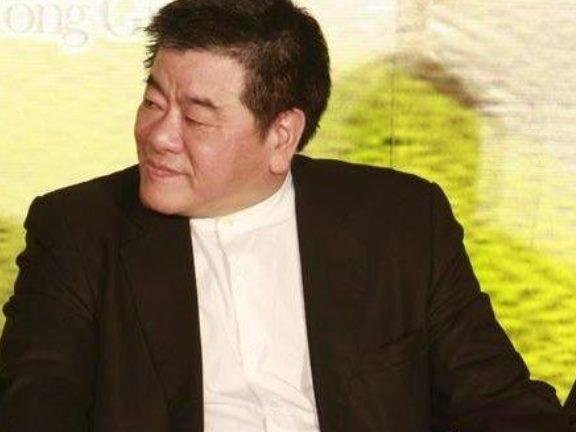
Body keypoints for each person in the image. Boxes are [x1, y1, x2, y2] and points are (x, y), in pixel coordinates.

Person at [0, 1, 571, 431]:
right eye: (153, 102)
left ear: (281, 136)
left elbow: (495, 402)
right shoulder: (78, 231)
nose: (158, 135)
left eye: (196, 118)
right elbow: (35, 410)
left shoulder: (399, 222)